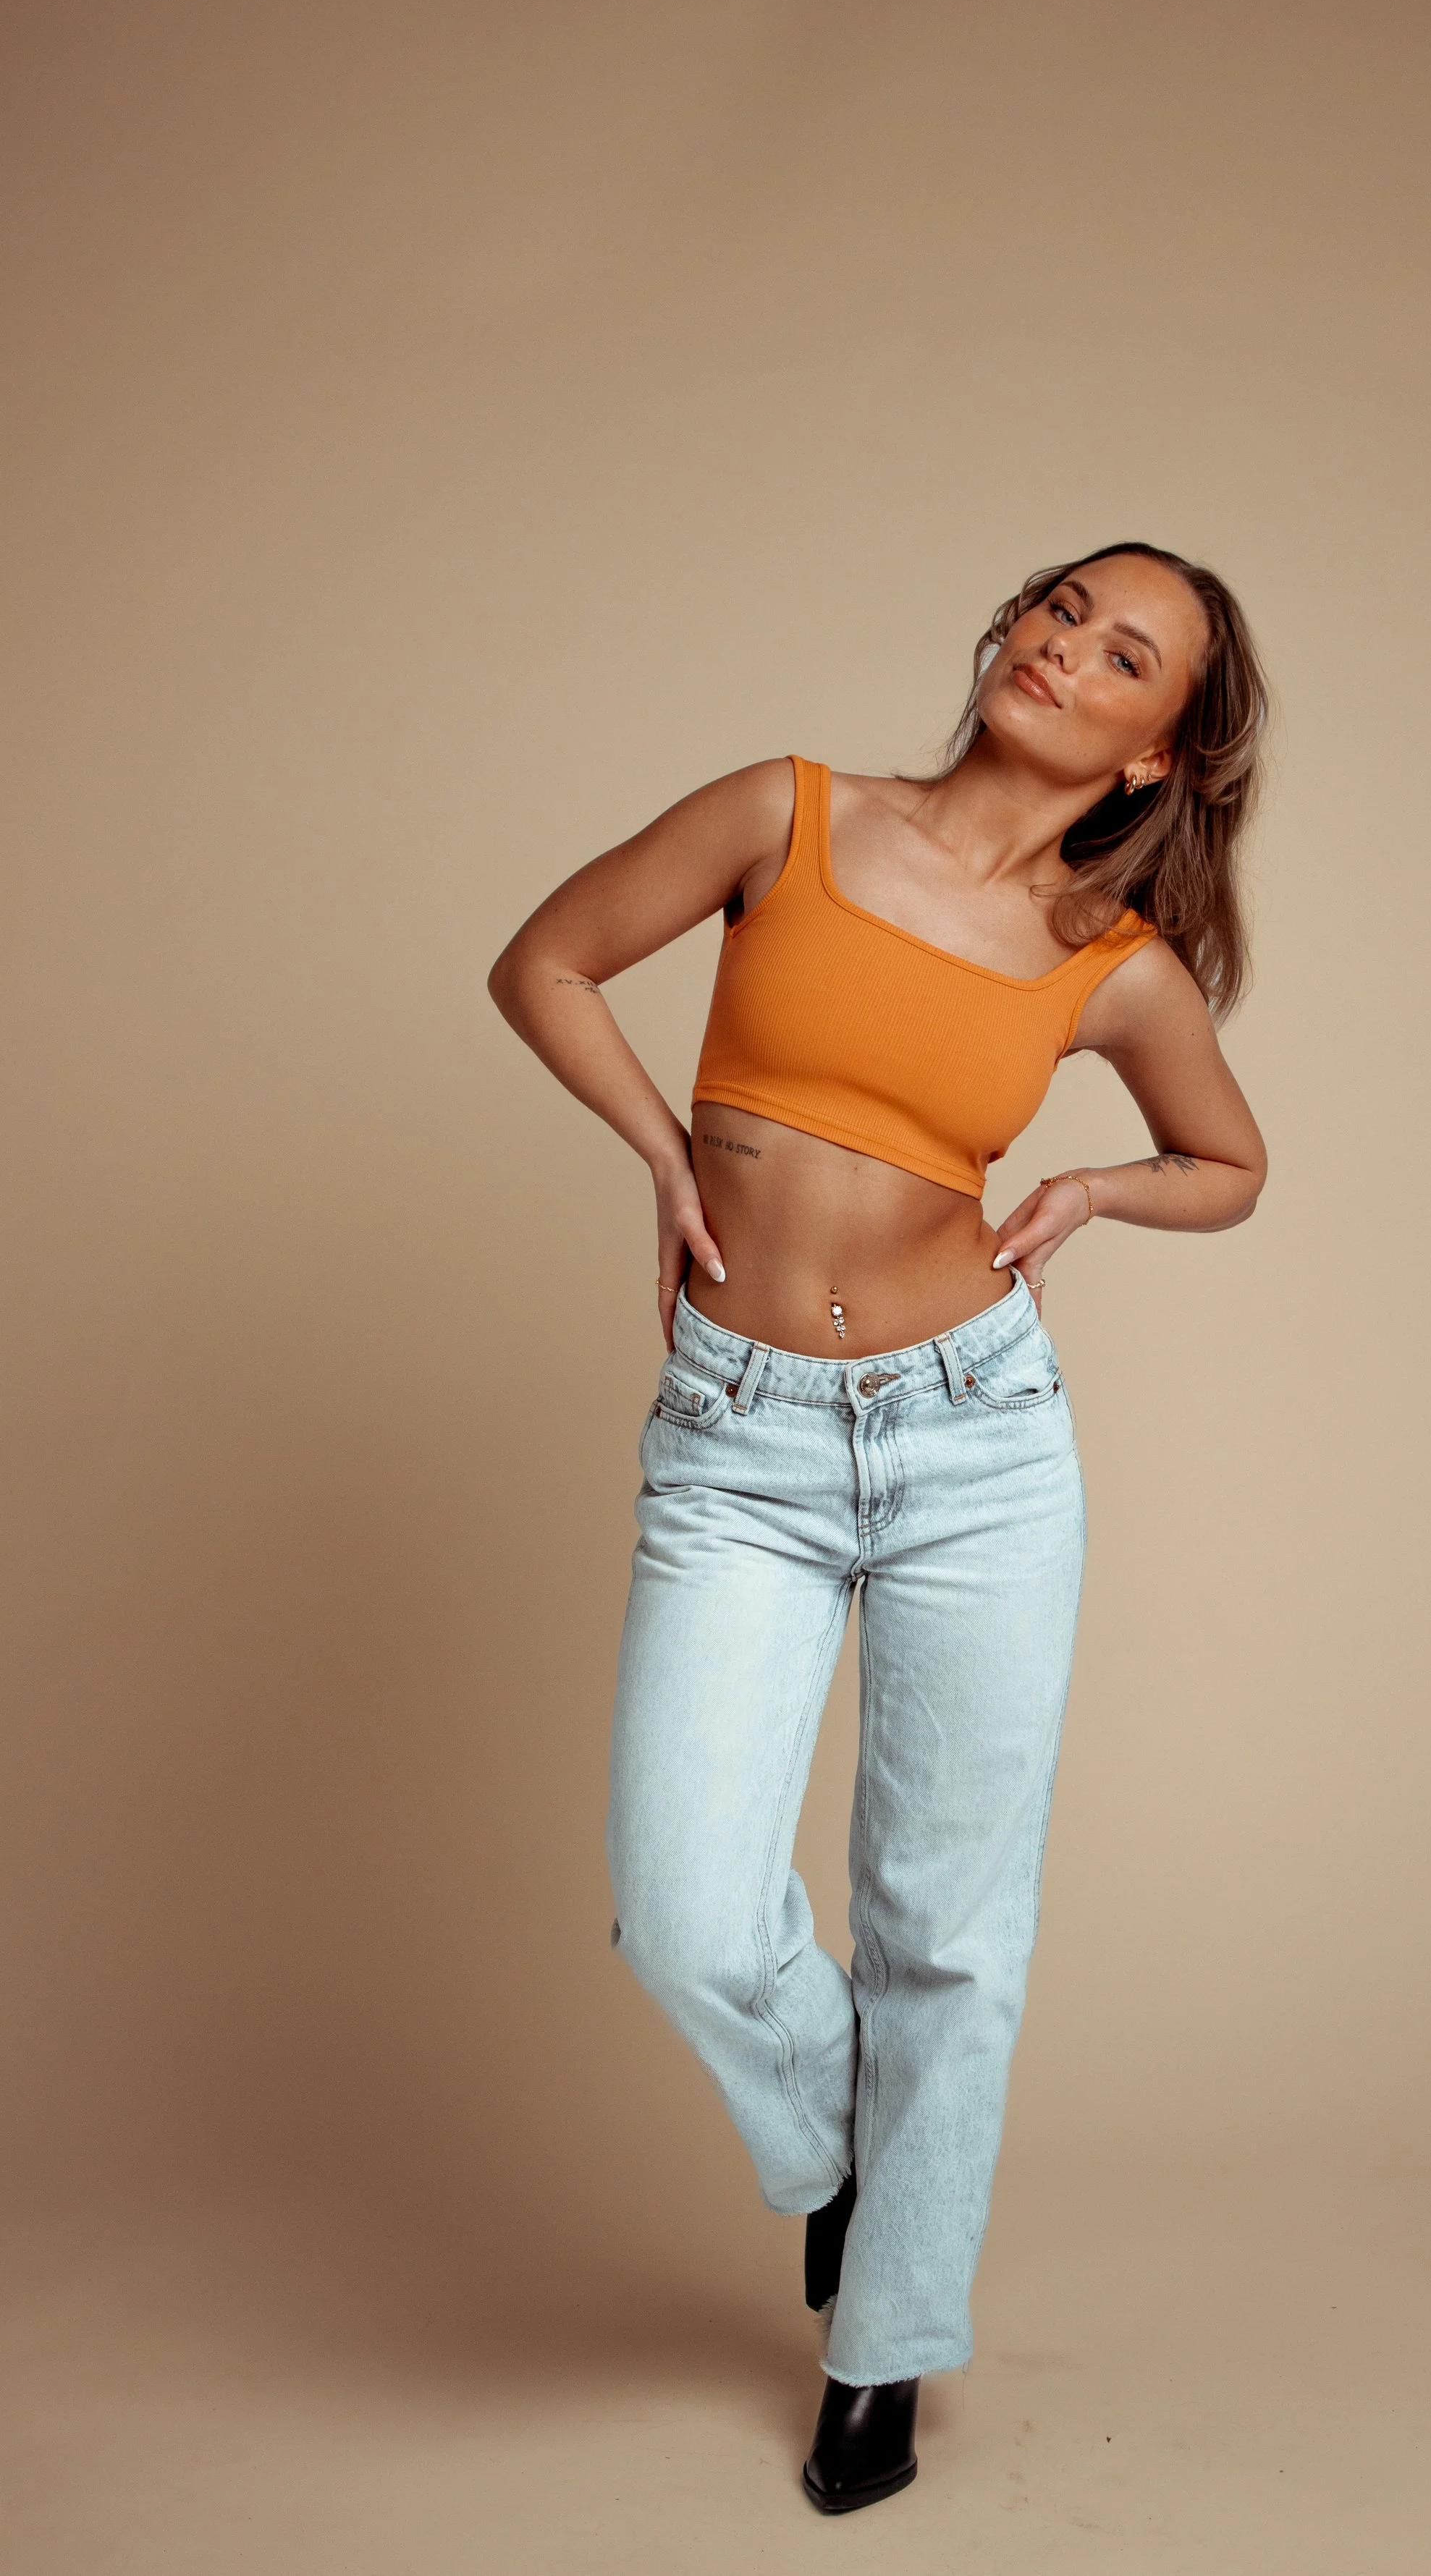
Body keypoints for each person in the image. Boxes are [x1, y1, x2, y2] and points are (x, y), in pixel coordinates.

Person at [488, 543, 1269, 2513]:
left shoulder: (1115, 965)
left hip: (973, 1448)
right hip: (736, 1438)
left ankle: (883, 2347)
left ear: (1158, 747)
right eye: (1054, 606)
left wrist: (1086, 1198)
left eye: (1119, 653)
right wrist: (665, 1153)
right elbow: (544, 959)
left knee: (946, 1934)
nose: (1057, 649)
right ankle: (849, 2155)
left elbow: (1228, 1162)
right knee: (681, 1901)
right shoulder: (789, 811)